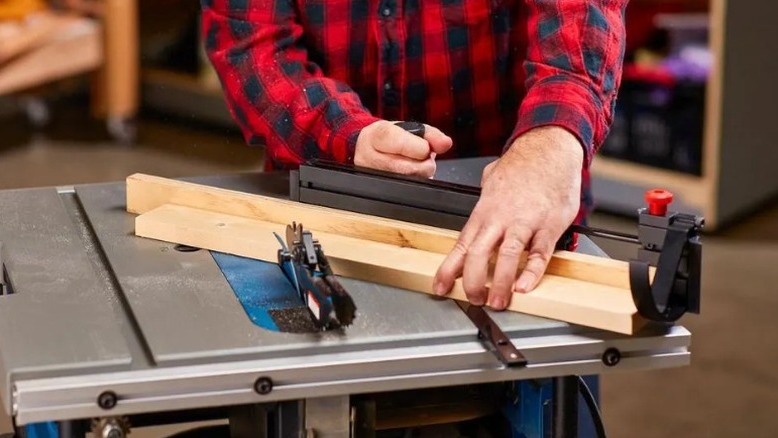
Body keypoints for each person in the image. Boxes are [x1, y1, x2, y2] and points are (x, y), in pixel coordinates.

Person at [200, 0, 628, 311]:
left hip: (517, 209)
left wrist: (550, 144)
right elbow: (253, 48)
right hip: (323, 210)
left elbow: (581, 21)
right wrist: (346, 134)